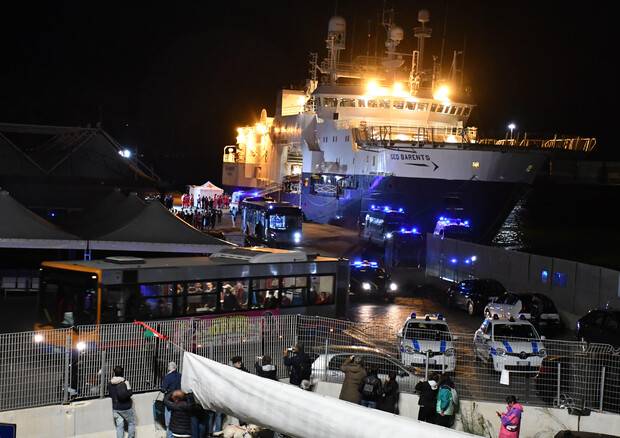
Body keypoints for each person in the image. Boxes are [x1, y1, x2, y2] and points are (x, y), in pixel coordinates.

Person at [108, 365, 136, 438]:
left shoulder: (110, 383)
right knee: (131, 423)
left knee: (119, 426)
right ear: (122, 372)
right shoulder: (125, 382)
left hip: (115, 408)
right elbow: (130, 393)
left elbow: (110, 395)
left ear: (114, 372)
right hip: (126, 407)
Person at [161, 361, 182, 438]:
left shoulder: (168, 377)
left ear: (170, 368)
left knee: (169, 420)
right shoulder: (180, 375)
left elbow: (163, 389)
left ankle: (170, 436)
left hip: (170, 400)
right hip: (179, 400)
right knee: (177, 418)